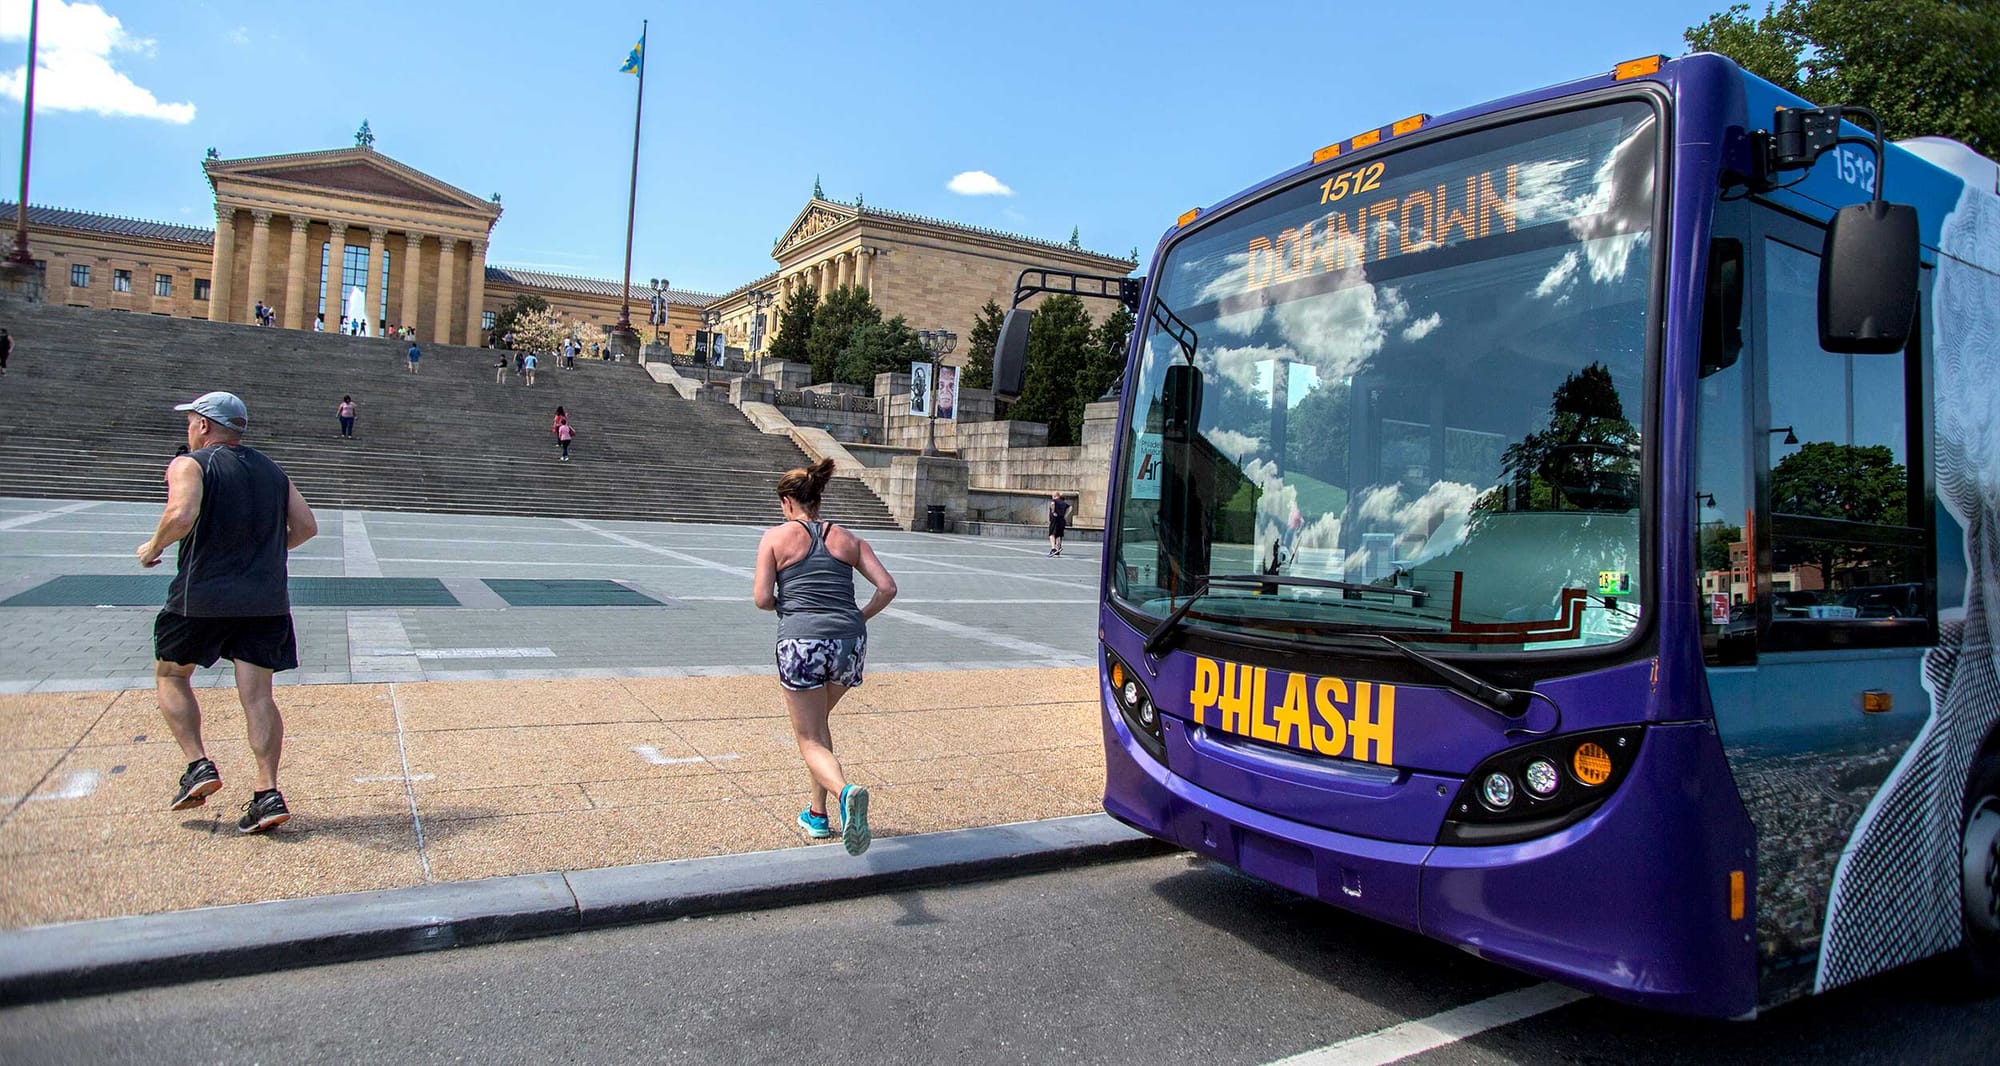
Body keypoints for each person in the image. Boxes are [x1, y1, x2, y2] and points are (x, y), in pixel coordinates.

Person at [138, 391, 318, 833]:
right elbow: (307, 526)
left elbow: (181, 513)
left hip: (202, 597)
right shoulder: (273, 471)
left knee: (172, 674)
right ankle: (267, 792)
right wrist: (263, 553)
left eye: (191, 422)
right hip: (265, 600)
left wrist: (154, 546)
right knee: (258, 696)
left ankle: (198, 765)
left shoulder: (191, 464)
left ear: (202, 425)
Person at [752, 458, 896, 856]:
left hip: (802, 642)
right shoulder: (848, 539)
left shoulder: (775, 538)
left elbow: (763, 598)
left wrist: (790, 604)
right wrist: (857, 616)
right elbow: (887, 587)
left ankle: (844, 793)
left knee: (808, 737)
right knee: (819, 726)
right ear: (817, 498)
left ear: (787, 502)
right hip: (850, 644)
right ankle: (817, 815)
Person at [1047, 492, 1071, 557]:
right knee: (1059, 535)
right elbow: (1070, 508)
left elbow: (1052, 504)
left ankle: (1053, 548)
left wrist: (1053, 512)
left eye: (1052, 496)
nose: (1052, 497)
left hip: (1055, 520)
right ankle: (1058, 549)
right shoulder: (1063, 502)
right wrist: (1065, 515)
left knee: (1052, 534)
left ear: (1055, 496)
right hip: (1062, 520)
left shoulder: (1054, 501)